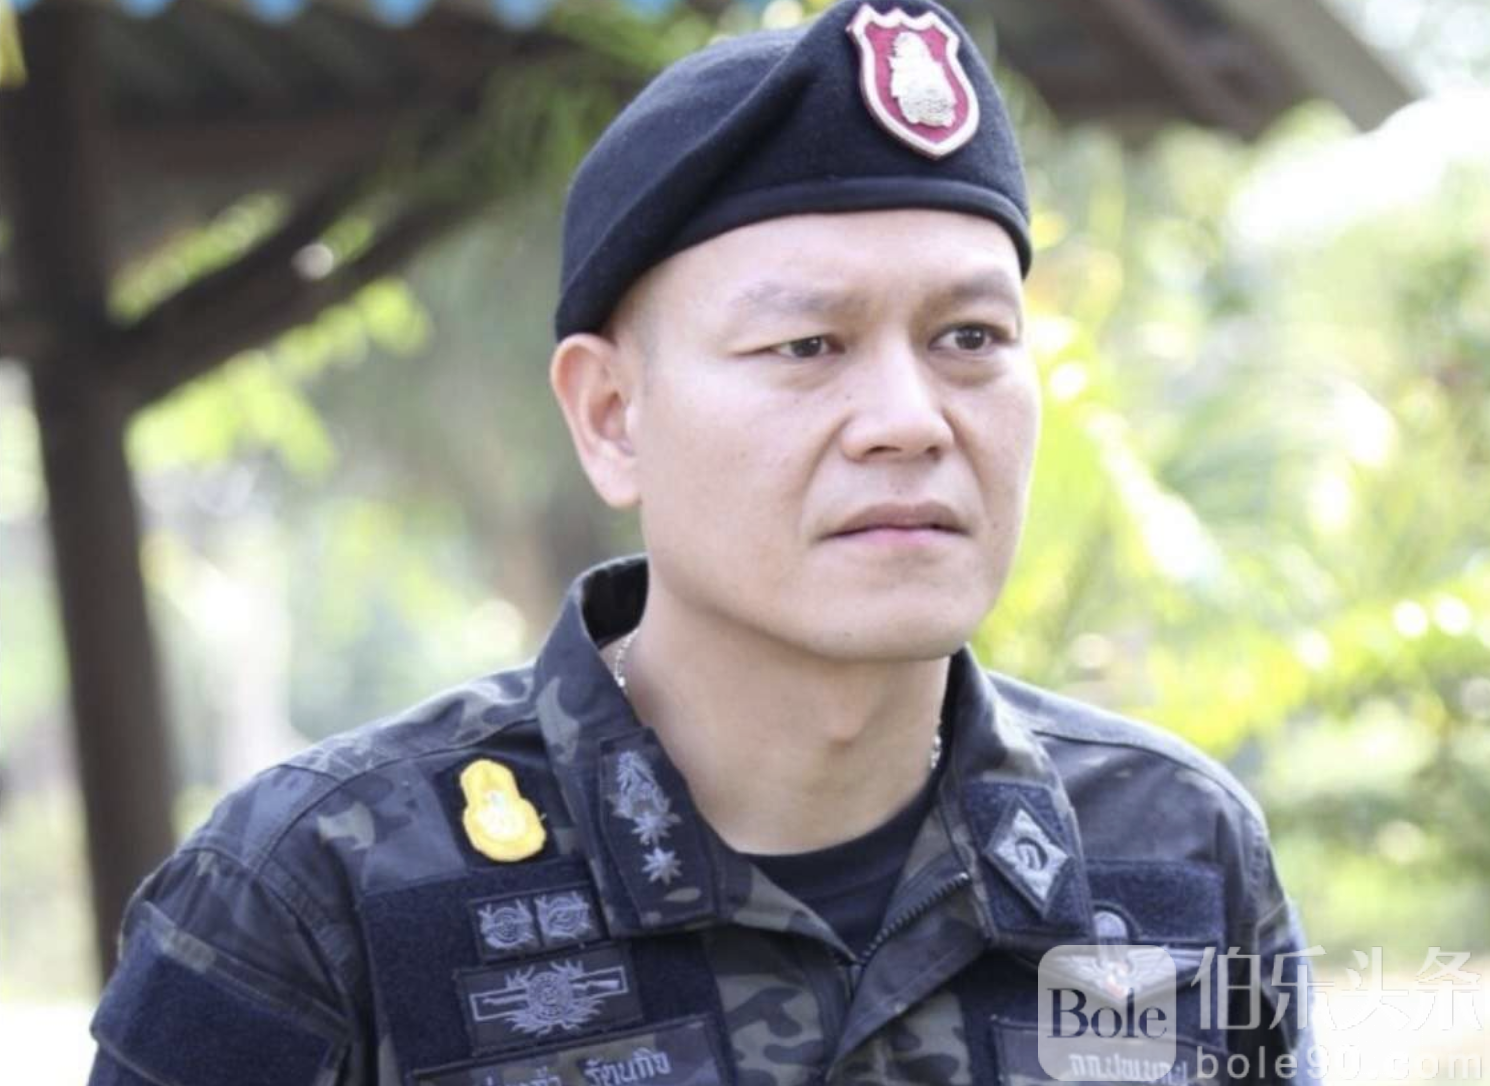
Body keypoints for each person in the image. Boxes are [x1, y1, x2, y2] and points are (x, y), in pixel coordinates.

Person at [87, 3, 1315, 1084]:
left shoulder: (1172, 855)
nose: (908, 420)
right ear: (611, 417)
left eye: (970, 340)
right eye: (806, 346)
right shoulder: (321, 894)